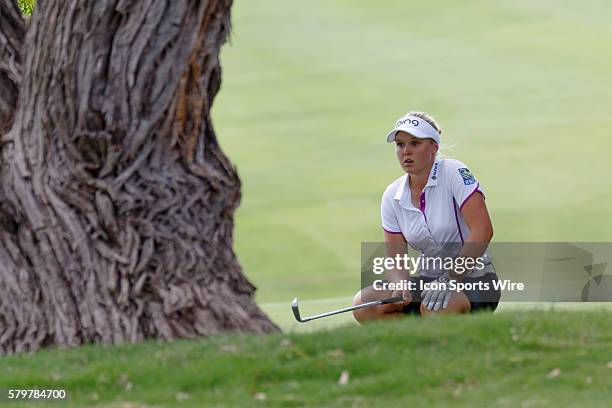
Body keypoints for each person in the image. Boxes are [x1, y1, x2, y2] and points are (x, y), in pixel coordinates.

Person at [353, 111, 500, 322]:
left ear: (434, 147)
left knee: (436, 309)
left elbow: (483, 230)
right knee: (364, 305)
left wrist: (450, 278)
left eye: (415, 143)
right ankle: (412, 348)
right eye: (400, 144)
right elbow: (396, 260)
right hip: (427, 280)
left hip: (474, 279)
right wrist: (400, 286)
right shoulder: (392, 195)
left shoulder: (454, 172)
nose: (406, 152)